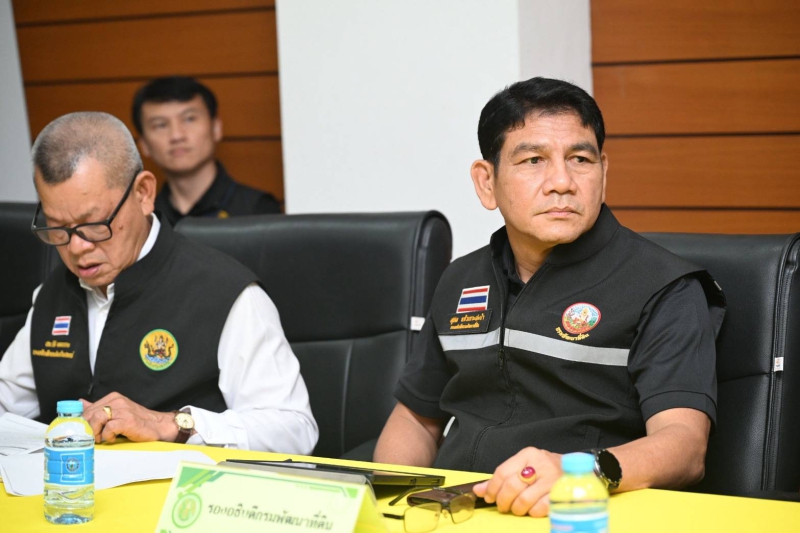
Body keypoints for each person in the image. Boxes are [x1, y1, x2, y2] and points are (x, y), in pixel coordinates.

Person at [373, 77, 726, 517]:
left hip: (579, 515)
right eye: (534, 160)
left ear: (603, 172)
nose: (562, 182)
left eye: (580, 159)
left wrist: (581, 474)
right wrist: (385, 507)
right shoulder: (461, 279)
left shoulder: (664, 285)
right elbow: (415, 420)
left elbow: (684, 446)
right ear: (486, 182)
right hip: (458, 513)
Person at [0, 112, 318, 454]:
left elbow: (294, 429)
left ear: (143, 193)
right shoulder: (52, 295)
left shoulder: (225, 293)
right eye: (57, 228)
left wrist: (170, 424)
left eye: (93, 224)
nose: (76, 248)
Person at [131, 76, 282, 226]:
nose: (176, 136)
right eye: (161, 125)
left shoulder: (257, 209)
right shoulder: (142, 217)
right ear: (143, 144)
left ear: (216, 128)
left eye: (189, 119)